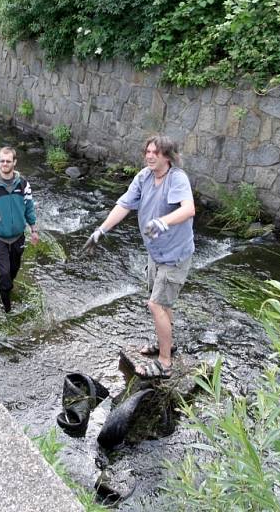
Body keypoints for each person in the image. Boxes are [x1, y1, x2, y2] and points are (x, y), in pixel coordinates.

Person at [84, 135, 195, 379]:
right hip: (156, 254)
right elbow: (124, 205)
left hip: (175, 255)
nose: (149, 155)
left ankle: (165, 362)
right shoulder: (143, 177)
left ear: (168, 156)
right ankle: (167, 344)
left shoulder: (177, 178)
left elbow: (188, 209)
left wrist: (162, 222)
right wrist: (101, 230)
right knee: (163, 303)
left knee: (156, 304)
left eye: (155, 152)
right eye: (147, 151)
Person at [0, 147, 39, 314]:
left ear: (14, 163)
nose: (4, 164)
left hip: (18, 237)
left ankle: (6, 287)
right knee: (4, 275)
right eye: (2, 161)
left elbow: (29, 208)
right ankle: (7, 309)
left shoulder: (23, 184)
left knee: (13, 270)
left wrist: (34, 230)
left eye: (8, 161)